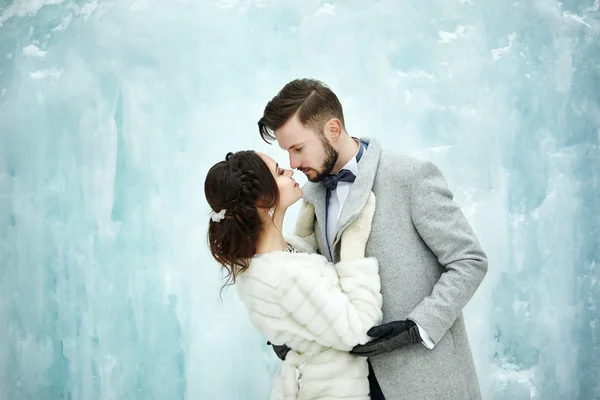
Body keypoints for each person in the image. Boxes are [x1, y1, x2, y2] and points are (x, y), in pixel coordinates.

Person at [257, 78, 488, 400]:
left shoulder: (411, 176)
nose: (293, 164)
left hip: (423, 378)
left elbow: (469, 260)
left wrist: (417, 327)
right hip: (349, 384)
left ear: (333, 129)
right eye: (286, 152)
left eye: (298, 148)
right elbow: (316, 278)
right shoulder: (310, 194)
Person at [204, 150, 384, 399]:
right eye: (279, 172)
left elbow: (303, 286)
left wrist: (304, 231)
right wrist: (353, 251)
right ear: (261, 200)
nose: (290, 170)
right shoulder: (284, 276)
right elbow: (358, 331)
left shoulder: (255, 265)